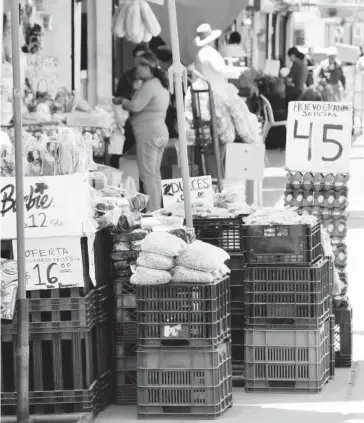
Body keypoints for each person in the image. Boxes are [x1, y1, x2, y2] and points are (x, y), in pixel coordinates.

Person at [120, 51, 170, 212]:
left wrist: (123, 101)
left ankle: (153, 211)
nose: (136, 71)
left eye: (138, 67)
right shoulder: (160, 84)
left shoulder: (151, 84)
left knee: (147, 175)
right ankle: (157, 209)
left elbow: (136, 106)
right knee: (154, 174)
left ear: (146, 68)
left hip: (149, 133)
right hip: (159, 132)